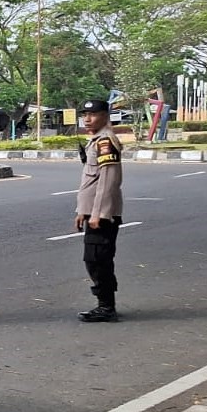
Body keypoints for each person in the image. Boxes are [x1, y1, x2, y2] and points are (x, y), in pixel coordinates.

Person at [74, 98, 124, 322]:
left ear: (105, 115)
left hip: (103, 214)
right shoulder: (95, 141)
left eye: (92, 114)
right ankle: (105, 305)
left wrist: (99, 213)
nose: (87, 119)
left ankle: (106, 307)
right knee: (95, 259)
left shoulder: (105, 141)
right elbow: (90, 182)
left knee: (98, 259)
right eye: (84, 115)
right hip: (94, 212)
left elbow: (108, 180)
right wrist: (82, 210)